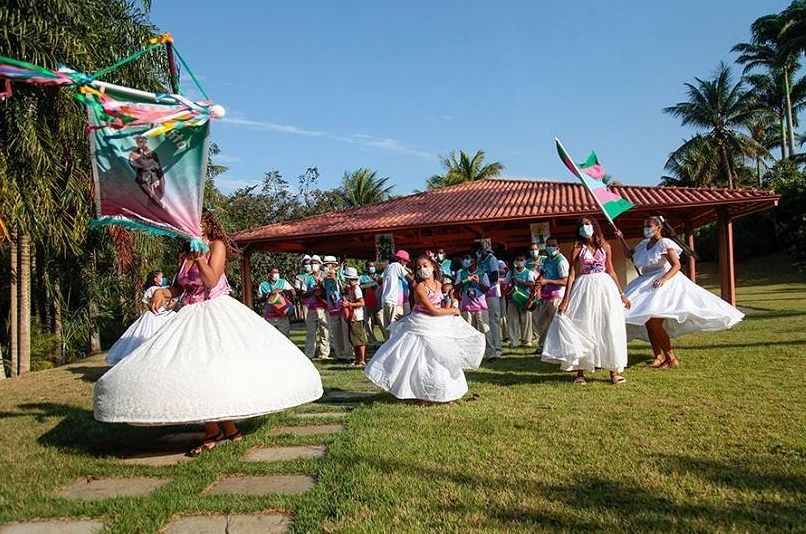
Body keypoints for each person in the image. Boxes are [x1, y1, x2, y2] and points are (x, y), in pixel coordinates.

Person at [94, 210, 323, 455]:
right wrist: (162, 292)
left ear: (207, 223)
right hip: (190, 315)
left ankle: (221, 429)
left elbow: (212, 280)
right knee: (193, 370)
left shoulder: (216, 245)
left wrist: (200, 257)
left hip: (216, 313)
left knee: (215, 369)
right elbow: (179, 287)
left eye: (199, 222)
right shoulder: (184, 254)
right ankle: (222, 428)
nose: (194, 226)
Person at [617, 216, 744, 368]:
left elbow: (676, 265)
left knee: (655, 323)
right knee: (648, 322)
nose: (646, 229)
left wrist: (664, 279)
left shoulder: (664, 243)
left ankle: (671, 358)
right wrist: (621, 239)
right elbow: (629, 254)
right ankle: (658, 356)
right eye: (645, 226)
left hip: (661, 284)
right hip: (645, 282)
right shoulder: (644, 244)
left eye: (649, 226)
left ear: (658, 227)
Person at [364, 255, 485, 405]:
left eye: (425, 265)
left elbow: (438, 306)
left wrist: (449, 305)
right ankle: (422, 394)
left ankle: (448, 394)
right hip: (422, 323)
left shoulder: (439, 285)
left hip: (436, 324)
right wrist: (453, 311)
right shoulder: (420, 287)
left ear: (433, 266)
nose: (422, 270)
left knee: (443, 357)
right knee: (421, 360)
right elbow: (432, 310)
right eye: (419, 267)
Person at [541, 217, 631, 385]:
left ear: (594, 226)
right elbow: (572, 273)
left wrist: (621, 294)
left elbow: (611, 271)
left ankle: (613, 372)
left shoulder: (606, 246)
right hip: (584, 288)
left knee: (609, 327)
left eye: (588, 224)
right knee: (583, 326)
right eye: (582, 225)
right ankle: (580, 372)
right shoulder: (577, 247)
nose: (585, 227)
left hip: (605, 289)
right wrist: (566, 299)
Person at [106, 270, 177, 366]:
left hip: (164, 314)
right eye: (161, 277)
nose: (163, 279)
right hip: (156, 316)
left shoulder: (162, 289)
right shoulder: (154, 289)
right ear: (155, 279)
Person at [455, 252, 495, 360]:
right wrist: (466, 280)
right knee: (468, 332)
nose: (465, 261)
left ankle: (490, 353)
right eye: (464, 259)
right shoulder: (461, 273)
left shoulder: (482, 273)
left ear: (474, 260)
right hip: (466, 306)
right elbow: (456, 288)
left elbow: (487, 289)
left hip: (480, 306)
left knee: (485, 330)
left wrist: (478, 282)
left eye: (468, 258)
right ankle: (470, 355)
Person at [534, 237, 570, 353]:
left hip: (557, 296)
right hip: (545, 296)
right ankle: (542, 346)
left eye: (553, 245)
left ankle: (560, 347)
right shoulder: (547, 260)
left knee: (557, 323)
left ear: (558, 247)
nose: (550, 248)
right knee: (542, 323)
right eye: (548, 245)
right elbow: (543, 273)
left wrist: (547, 282)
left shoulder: (561, 261)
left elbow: (565, 281)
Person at [299, 255, 330, 359]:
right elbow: (303, 294)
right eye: (312, 263)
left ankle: (324, 354)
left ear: (320, 264)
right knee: (311, 332)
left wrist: (321, 289)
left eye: (316, 263)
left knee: (325, 331)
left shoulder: (326, 276)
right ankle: (309, 354)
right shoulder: (307, 278)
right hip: (311, 308)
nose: (313, 265)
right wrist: (312, 291)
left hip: (323, 307)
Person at [476, 244, 503, 357]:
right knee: (485, 322)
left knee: (493, 320)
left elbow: (495, 277)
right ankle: (488, 346)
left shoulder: (492, 259)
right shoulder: (479, 261)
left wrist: (482, 276)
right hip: (482, 294)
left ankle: (497, 347)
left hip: (492, 292)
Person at [322, 256, 351, 360]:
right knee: (336, 333)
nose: (325, 267)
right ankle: (340, 355)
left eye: (327, 265)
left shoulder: (342, 274)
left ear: (333, 265)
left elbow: (346, 289)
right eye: (324, 265)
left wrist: (336, 279)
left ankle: (349, 354)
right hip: (332, 308)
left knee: (346, 331)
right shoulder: (324, 278)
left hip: (343, 307)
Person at [505, 253, 536, 348]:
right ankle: (513, 341)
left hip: (525, 298)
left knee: (525, 320)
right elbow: (506, 284)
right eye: (517, 259)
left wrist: (520, 281)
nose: (519, 262)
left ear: (525, 261)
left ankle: (526, 341)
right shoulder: (511, 272)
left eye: (521, 260)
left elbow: (532, 284)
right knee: (513, 320)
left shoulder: (529, 272)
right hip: (513, 299)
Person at [380, 250, 413, 339]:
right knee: (396, 331)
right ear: (401, 260)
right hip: (395, 302)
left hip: (388, 301)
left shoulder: (388, 268)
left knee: (390, 331)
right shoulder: (397, 266)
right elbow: (411, 280)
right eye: (405, 261)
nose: (406, 263)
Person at [257, 267, 296, 337]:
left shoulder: (283, 282)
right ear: (269, 274)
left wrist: (282, 290)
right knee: (271, 339)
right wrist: (268, 295)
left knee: (285, 339)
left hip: (282, 316)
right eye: (274, 273)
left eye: (277, 272)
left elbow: (293, 293)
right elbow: (258, 300)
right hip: (269, 317)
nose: (277, 274)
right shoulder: (263, 285)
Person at [341, 267, 368, 367]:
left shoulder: (357, 289)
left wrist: (349, 305)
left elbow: (362, 303)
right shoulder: (350, 289)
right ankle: (357, 360)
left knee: (360, 340)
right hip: (352, 317)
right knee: (354, 340)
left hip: (357, 317)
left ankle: (362, 360)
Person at [129, 135, 165, 207]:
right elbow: (133, 164)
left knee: (157, 198)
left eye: (141, 140)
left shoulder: (152, 153)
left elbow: (157, 167)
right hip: (143, 180)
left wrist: (157, 180)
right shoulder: (133, 153)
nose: (139, 142)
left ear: (145, 141)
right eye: (137, 140)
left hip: (154, 179)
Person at [359, 261, 382, 347]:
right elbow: (358, 286)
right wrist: (369, 285)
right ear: (366, 268)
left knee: (380, 321)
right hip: (366, 302)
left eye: (373, 266)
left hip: (378, 302)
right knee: (367, 322)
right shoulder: (362, 277)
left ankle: (386, 339)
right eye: (370, 266)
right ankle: (372, 341)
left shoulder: (379, 276)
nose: (372, 268)